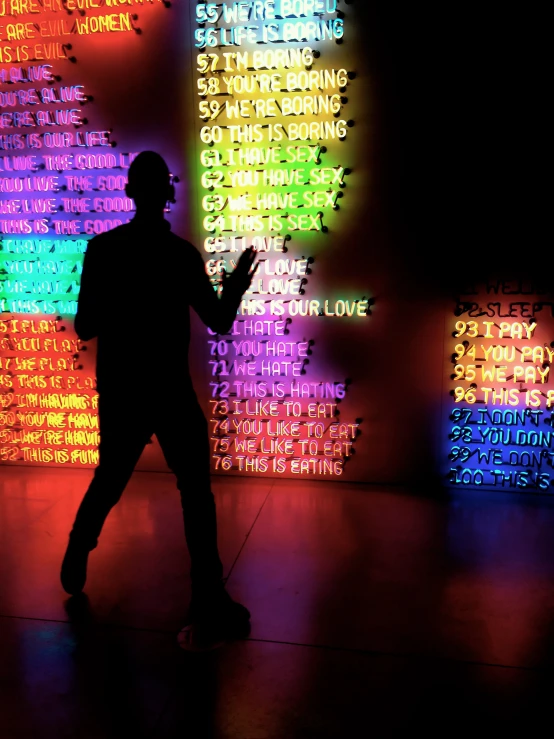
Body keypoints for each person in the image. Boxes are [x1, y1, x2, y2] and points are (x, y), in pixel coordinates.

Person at [60, 151, 257, 650]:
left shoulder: (103, 250)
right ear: (169, 193)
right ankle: (208, 593)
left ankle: (79, 546)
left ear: (130, 191)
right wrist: (233, 288)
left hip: (125, 390)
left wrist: (122, 297)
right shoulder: (182, 256)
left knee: (112, 477)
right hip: (170, 391)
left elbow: (85, 325)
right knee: (195, 490)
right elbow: (219, 320)